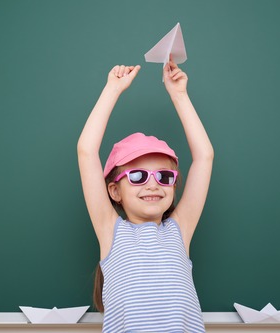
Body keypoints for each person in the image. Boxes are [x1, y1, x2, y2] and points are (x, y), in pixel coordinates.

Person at [77, 58, 213, 332]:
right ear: (114, 190)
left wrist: (179, 96)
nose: (153, 185)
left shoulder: (179, 230)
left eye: (164, 177)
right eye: (138, 176)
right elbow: (86, 151)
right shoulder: (111, 231)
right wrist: (112, 90)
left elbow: (204, 157)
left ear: (173, 186)